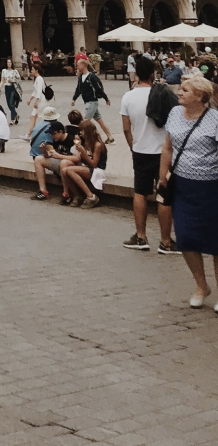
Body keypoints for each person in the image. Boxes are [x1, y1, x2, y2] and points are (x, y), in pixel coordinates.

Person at [158, 71, 218, 309]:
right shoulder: (174, 113)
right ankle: (201, 285)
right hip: (183, 186)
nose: (179, 93)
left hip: (211, 187)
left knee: (215, 240)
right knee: (185, 237)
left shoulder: (215, 119)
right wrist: (163, 176)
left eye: (185, 90)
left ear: (200, 96)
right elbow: (167, 148)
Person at [120, 54, 177, 254]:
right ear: (153, 73)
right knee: (164, 194)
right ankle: (165, 241)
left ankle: (141, 236)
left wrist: (132, 145)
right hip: (163, 151)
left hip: (141, 149)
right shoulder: (162, 93)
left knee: (141, 192)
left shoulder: (128, 96)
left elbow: (126, 128)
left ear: (136, 74)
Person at [60, 120, 108, 208]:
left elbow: (94, 164)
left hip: (97, 170)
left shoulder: (98, 145)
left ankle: (91, 196)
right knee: (64, 170)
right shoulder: (86, 142)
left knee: (69, 171)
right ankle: (77, 195)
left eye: (82, 131)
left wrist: (84, 153)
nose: (81, 133)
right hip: (86, 167)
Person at [29, 108, 73, 200]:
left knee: (64, 162)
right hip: (58, 160)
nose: (52, 136)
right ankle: (43, 190)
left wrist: (59, 156)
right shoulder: (54, 136)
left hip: (68, 163)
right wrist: (44, 151)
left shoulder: (70, 139)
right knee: (38, 159)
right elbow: (52, 154)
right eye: (52, 134)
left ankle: (66, 193)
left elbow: (77, 158)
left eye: (54, 134)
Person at [73, 56, 113, 143]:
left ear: (83, 66)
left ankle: (85, 140)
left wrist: (106, 98)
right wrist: (74, 99)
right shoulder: (81, 77)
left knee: (84, 122)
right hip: (88, 102)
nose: (77, 68)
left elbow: (98, 89)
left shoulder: (92, 77)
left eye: (78, 66)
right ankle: (110, 137)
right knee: (100, 121)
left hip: (92, 102)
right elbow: (78, 89)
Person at [2, 57, 22, 124]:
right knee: (8, 104)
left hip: (13, 87)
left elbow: (19, 79)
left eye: (10, 62)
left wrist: (13, 80)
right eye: (8, 62)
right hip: (7, 87)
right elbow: (2, 80)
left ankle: (12, 119)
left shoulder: (15, 71)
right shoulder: (4, 71)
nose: (9, 64)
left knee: (11, 103)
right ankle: (16, 115)